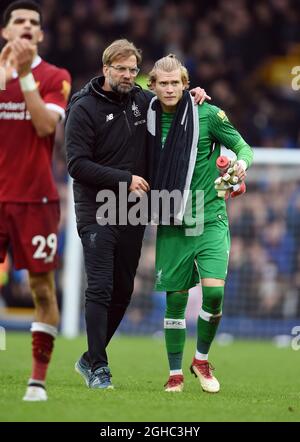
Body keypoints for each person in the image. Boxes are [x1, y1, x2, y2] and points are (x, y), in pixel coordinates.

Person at [65, 39, 208, 390]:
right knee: (99, 286)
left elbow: (173, 99)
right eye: (121, 69)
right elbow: (76, 165)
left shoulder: (143, 100)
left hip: (133, 211)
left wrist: (196, 98)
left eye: (133, 70)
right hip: (97, 210)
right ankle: (99, 367)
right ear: (106, 69)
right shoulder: (83, 108)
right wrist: (124, 179)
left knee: (123, 290)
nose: (128, 75)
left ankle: (89, 357)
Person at [147, 54, 253, 393]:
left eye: (175, 83)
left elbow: (242, 146)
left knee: (215, 292)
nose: (169, 89)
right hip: (173, 218)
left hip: (211, 217)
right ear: (152, 86)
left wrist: (241, 167)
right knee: (175, 299)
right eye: (162, 83)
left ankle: (202, 359)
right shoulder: (143, 117)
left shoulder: (207, 114)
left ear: (185, 84)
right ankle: (175, 373)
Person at [0, 1, 71, 401]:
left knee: (43, 290)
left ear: (41, 35)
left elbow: (45, 125)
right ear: (6, 32)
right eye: (19, 21)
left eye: (34, 23)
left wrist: (24, 75)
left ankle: (37, 380)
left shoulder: (54, 75)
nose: (27, 26)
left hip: (35, 199)